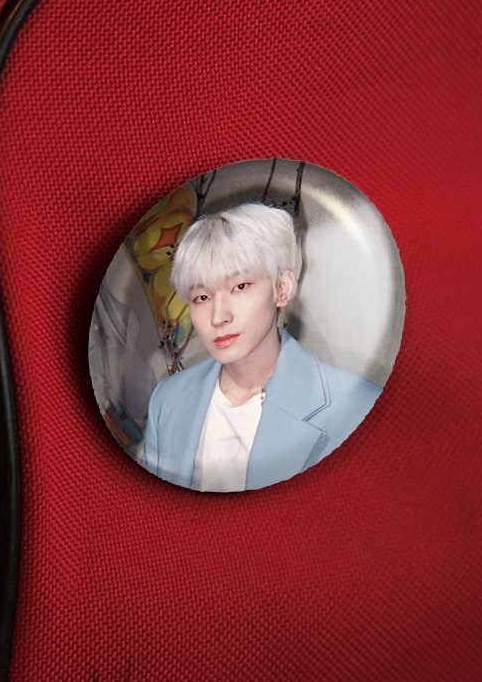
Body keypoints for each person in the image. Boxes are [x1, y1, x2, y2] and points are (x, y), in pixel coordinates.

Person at [141, 202, 381, 491]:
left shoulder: (357, 404)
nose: (218, 317)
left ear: (282, 288)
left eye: (240, 287)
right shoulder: (167, 399)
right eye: (202, 297)